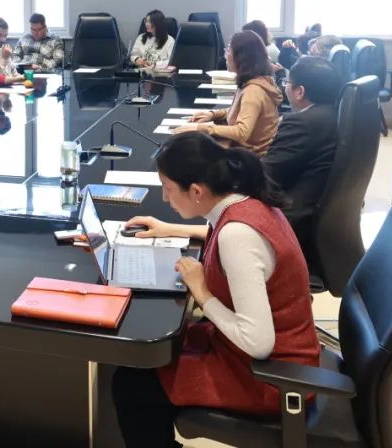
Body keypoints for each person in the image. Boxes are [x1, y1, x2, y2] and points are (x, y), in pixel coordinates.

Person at [112, 132, 319, 447]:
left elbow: (258, 343)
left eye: (168, 189)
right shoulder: (245, 202)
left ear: (196, 191)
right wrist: (169, 228)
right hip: (272, 356)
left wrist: (202, 293)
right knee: (150, 356)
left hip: (270, 377)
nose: (165, 198)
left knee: (132, 384)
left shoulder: (237, 236)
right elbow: (223, 231)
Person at [263, 56, 341, 266]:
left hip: (291, 219)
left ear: (300, 91)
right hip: (313, 213)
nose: (284, 87)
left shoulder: (303, 123)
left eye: (287, 82)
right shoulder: (333, 114)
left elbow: (265, 176)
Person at [176, 31, 282, 156]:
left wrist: (201, 128)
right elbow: (242, 111)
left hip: (252, 159)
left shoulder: (253, 90)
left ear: (241, 58)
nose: (225, 55)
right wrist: (212, 114)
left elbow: (242, 132)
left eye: (229, 50)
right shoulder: (256, 81)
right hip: (247, 153)